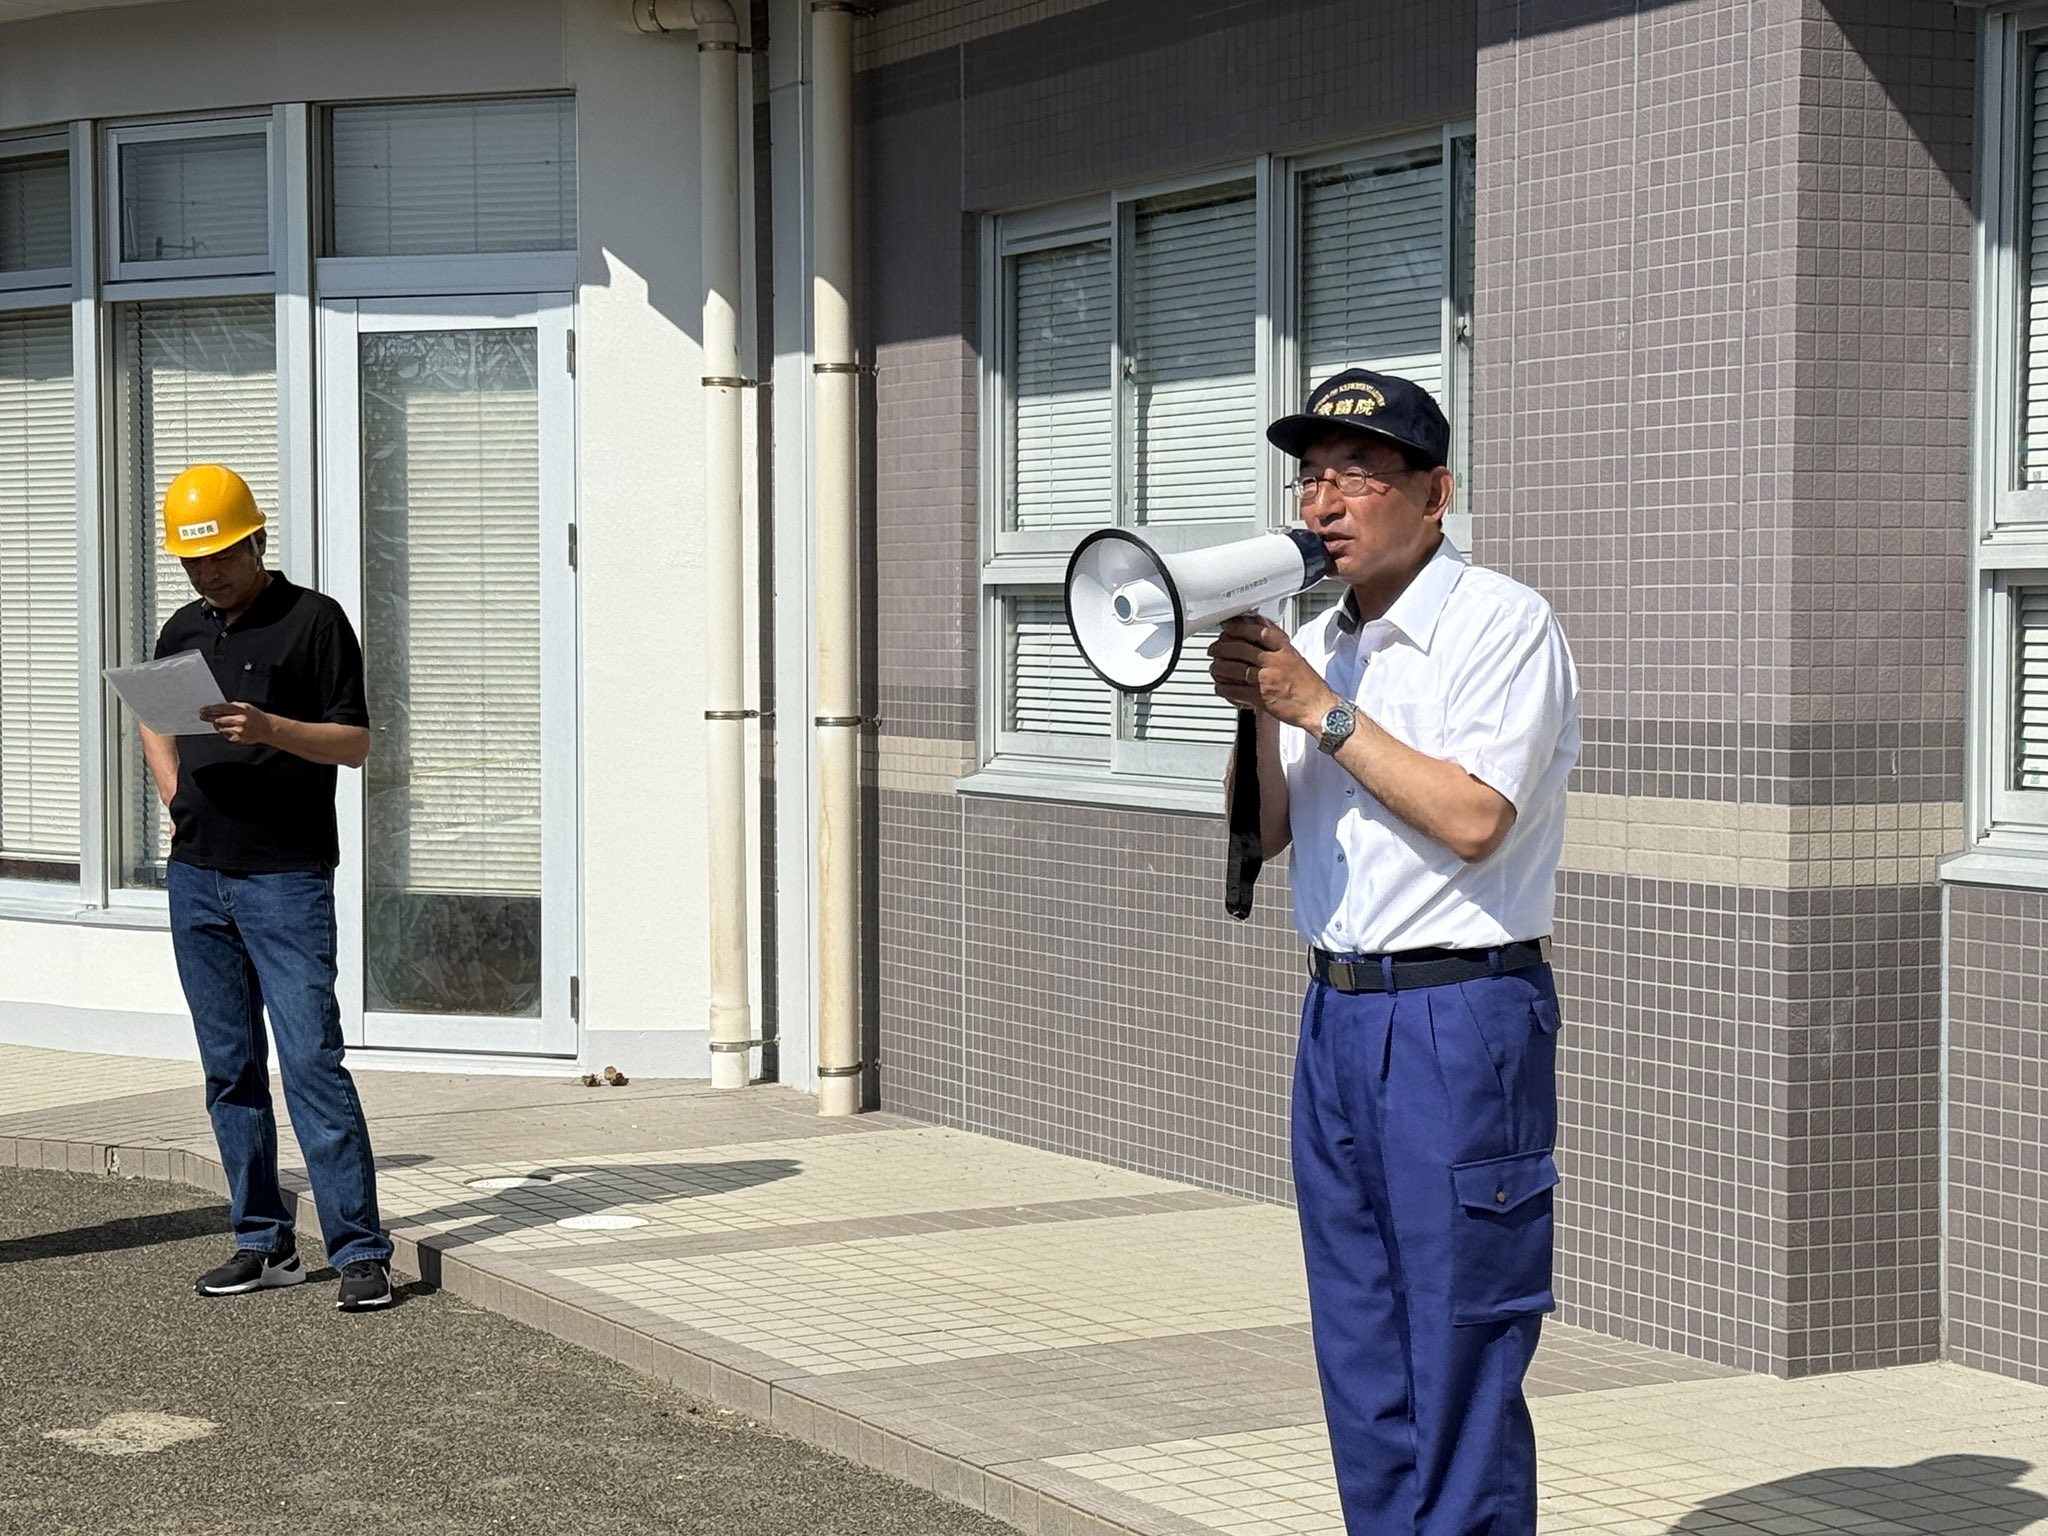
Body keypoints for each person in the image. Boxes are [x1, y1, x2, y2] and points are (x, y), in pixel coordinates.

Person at [1208, 368, 1580, 1535]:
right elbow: (1267, 832)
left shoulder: (1499, 623)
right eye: (1310, 477)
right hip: (1335, 1014)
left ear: (1434, 493)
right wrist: (1256, 702)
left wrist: (1315, 707)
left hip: (1454, 1017)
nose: (1323, 502)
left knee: (1459, 1341)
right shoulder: (1323, 642)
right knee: (1360, 1343)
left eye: (1357, 476)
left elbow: (1472, 818)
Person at [140, 463, 395, 1313]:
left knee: (312, 1061)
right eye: (192, 561)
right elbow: (151, 716)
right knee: (229, 1068)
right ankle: (263, 1242)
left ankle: (360, 1251)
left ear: (255, 540)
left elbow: (354, 744)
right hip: (197, 877)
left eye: (219, 555)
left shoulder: (314, 621)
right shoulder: (183, 628)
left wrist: (271, 729)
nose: (206, 573)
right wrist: (174, 796)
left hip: (285, 877)